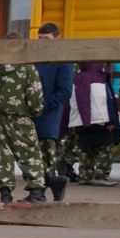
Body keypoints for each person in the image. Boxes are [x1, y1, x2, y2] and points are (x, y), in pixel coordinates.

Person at [0, 39, 48, 203]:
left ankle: (5, 192)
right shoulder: (28, 67)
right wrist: (34, 111)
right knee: (29, 152)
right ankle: (36, 191)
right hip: (21, 115)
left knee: (3, 154)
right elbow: (35, 93)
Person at [69, 59, 120, 186]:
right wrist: (110, 121)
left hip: (82, 122)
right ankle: (101, 175)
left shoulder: (78, 78)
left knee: (87, 149)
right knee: (104, 149)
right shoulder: (99, 80)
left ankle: (85, 175)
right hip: (100, 121)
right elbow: (102, 103)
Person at [34, 24, 73, 201]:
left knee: (46, 155)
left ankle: (41, 191)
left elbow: (64, 91)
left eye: (46, 39)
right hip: (32, 114)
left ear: (56, 39)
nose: (42, 43)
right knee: (33, 156)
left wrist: (44, 105)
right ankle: (48, 186)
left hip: (49, 116)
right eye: (40, 39)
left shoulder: (62, 61)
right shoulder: (34, 59)